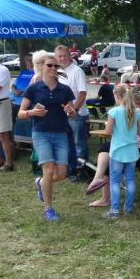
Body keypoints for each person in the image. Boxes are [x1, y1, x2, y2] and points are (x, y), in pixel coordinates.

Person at [86, 87, 140, 208]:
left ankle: (105, 197)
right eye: (136, 103)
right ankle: (99, 178)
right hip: (134, 147)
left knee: (110, 163)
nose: (139, 105)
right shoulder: (135, 111)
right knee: (106, 147)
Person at [19, 52, 77, 222]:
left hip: (61, 134)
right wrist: (32, 112)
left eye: (55, 66)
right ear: (41, 67)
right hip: (41, 133)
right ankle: (48, 209)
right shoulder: (34, 88)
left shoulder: (64, 89)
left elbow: (73, 114)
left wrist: (70, 111)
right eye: (49, 65)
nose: (53, 68)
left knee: (61, 174)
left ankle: (40, 183)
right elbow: (21, 113)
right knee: (49, 170)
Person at [101, 84, 140, 218]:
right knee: (130, 179)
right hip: (132, 151)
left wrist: (108, 127)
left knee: (115, 181)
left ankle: (114, 210)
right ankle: (128, 208)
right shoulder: (136, 112)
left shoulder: (114, 112)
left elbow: (107, 132)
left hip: (117, 151)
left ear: (117, 96)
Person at [55, 45, 90, 179]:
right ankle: (71, 169)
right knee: (67, 144)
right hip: (62, 115)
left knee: (79, 144)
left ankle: (82, 171)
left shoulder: (77, 71)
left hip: (77, 115)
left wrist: (73, 111)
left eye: (64, 56)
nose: (62, 58)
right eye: (59, 56)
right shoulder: (57, 72)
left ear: (70, 56)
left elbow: (82, 94)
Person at [11, 54, 36, 124]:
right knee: (12, 124)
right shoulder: (23, 72)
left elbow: (33, 86)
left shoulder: (37, 73)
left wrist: (22, 91)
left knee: (23, 124)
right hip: (14, 101)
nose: (29, 62)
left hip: (25, 103)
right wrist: (15, 91)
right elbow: (13, 85)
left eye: (31, 60)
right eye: (27, 60)